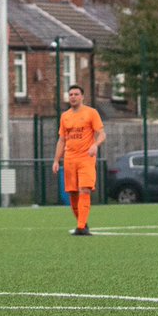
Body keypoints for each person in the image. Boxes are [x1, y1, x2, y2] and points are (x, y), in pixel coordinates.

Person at [52, 84, 105, 236]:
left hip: (86, 158)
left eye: (76, 94)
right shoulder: (65, 116)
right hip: (70, 159)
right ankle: (82, 222)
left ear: (82, 97)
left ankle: (81, 227)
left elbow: (102, 134)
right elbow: (62, 140)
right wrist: (56, 160)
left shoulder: (91, 113)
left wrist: (95, 145)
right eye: (71, 95)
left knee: (84, 189)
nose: (73, 97)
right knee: (73, 193)